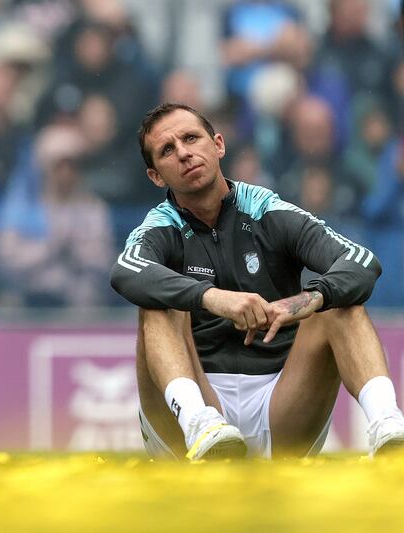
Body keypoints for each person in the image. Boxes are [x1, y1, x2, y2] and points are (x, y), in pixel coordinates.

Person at [110, 102, 404, 460]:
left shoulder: (267, 209)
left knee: (338, 303)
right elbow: (125, 272)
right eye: (168, 150)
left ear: (218, 145)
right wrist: (212, 298)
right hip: (193, 408)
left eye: (191, 138)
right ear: (156, 176)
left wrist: (307, 301)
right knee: (157, 301)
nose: (184, 153)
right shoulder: (160, 226)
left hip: (283, 404)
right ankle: (200, 424)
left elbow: (361, 263)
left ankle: (389, 428)